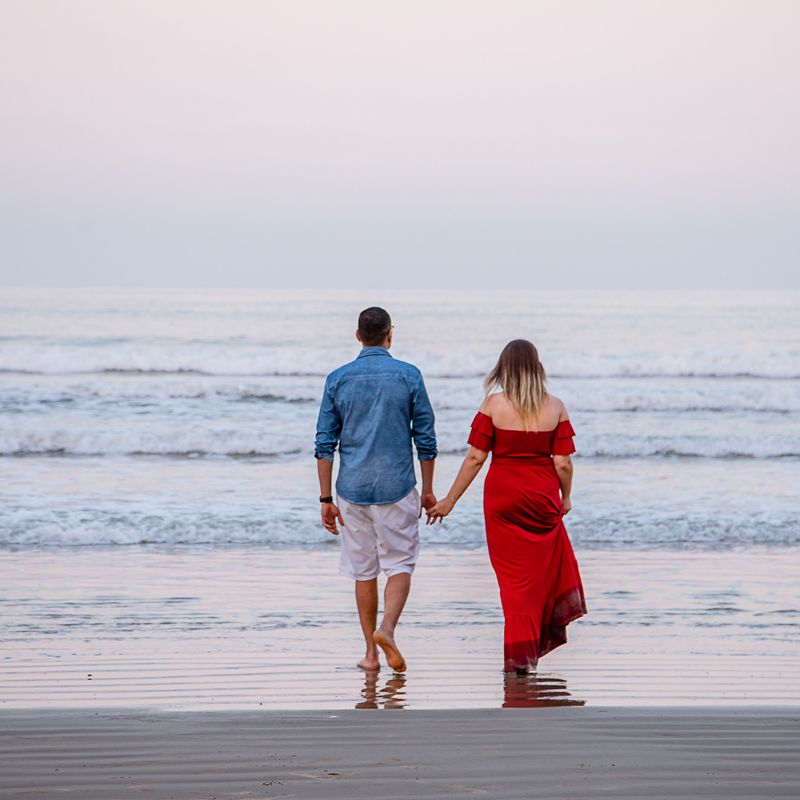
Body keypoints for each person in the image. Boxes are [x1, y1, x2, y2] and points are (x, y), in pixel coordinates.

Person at [427, 339, 586, 673]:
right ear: (537, 367)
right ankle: (525, 656)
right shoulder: (555, 406)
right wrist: (566, 497)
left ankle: (519, 657)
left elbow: (475, 458)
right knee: (541, 579)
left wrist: (449, 501)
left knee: (513, 584)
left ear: (504, 368)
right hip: (542, 498)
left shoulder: (493, 405)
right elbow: (563, 464)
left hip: (503, 499)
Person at [315, 307, 438, 673]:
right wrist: (428, 490)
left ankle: (370, 655)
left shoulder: (337, 379)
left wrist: (325, 499)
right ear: (390, 335)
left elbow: (325, 443)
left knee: (363, 571)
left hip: (351, 490)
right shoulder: (409, 375)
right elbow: (426, 439)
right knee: (399, 564)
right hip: (397, 486)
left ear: (357, 336)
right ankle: (387, 629)